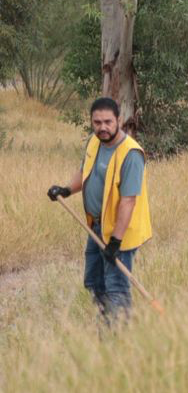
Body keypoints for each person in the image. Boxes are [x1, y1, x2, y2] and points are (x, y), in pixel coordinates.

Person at [46, 97, 152, 321]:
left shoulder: (131, 154)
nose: (102, 127)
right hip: (95, 226)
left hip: (119, 233)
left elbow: (128, 201)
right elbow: (85, 171)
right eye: (97, 122)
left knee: (116, 287)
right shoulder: (94, 142)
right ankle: (105, 325)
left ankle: (118, 339)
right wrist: (66, 190)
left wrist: (115, 242)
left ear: (119, 121)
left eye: (107, 122)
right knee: (93, 281)